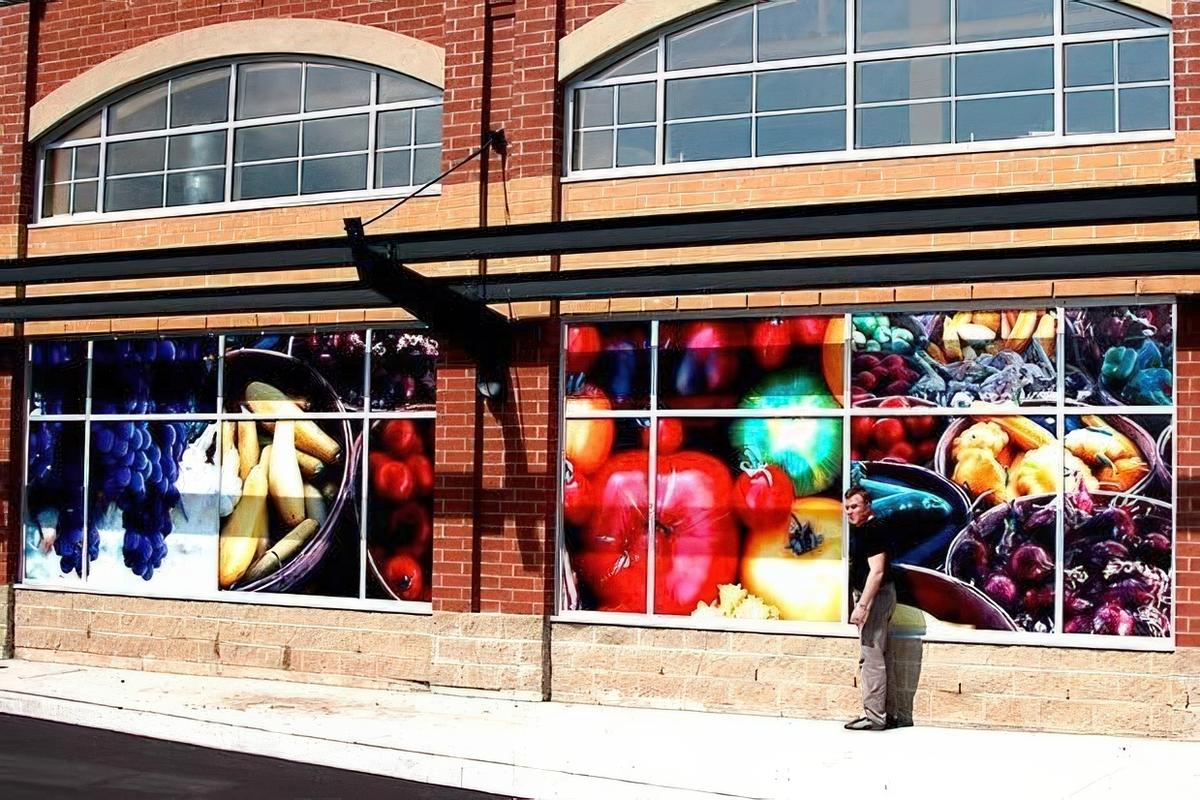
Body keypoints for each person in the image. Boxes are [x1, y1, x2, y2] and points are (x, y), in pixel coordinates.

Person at [843, 486, 896, 731]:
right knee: (878, 654)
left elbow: (877, 572)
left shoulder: (874, 529)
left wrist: (862, 606)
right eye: (847, 507)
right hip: (872, 596)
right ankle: (885, 713)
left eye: (854, 506)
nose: (849, 512)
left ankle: (874, 717)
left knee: (871, 655)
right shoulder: (864, 529)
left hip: (875, 597)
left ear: (868, 506)